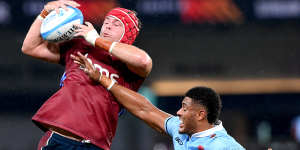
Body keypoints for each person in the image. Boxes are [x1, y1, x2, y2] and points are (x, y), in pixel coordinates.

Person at [21, 0, 152, 149]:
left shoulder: (130, 65)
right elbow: (30, 48)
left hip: (94, 144)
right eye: (107, 21)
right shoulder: (80, 46)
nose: (108, 25)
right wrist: (44, 14)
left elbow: (143, 61)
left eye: (116, 24)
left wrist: (96, 40)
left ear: (128, 33)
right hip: (59, 137)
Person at [71, 53, 245, 150]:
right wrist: (102, 78)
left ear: (200, 115)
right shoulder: (180, 128)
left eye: (184, 108)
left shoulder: (224, 146)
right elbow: (145, 109)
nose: (178, 112)